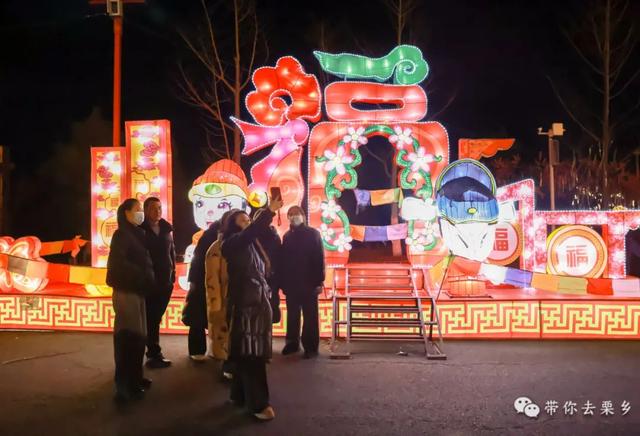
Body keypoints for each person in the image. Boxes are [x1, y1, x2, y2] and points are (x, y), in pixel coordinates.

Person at [221, 198, 283, 421]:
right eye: (243, 220)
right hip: (246, 306)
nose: (247, 223)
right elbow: (251, 232)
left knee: (244, 353)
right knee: (252, 355)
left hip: (255, 305)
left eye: (249, 220)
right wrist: (269, 212)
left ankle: (238, 395)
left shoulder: (251, 243)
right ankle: (258, 404)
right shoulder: (231, 243)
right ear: (232, 225)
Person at [106, 198, 155, 402]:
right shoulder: (121, 235)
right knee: (128, 338)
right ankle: (124, 385)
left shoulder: (137, 233)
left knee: (139, 337)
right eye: (137, 209)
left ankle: (136, 376)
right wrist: (141, 274)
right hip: (127, 291)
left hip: (138, 291)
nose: (140, 213)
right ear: (126, 213)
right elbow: (118, 265)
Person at [280, 205, 325, 359]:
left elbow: (319, 259)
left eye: (296, 213)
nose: (294, 216)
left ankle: (311, 348)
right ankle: (292, 344)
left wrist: (319, 281)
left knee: (310, 317)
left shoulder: (313, 234)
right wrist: (283, 282)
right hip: (291, 284)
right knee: (292, 316)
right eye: (291, 214)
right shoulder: (286, 236)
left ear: (303, 215)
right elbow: (283, 262)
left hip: (309, 283)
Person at [140, 197, 176, 369]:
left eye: (160, 207)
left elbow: (172, 253)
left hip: (165, 281)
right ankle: (153, 353)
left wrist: (173, 274)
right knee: (151, 318)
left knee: (156, 317)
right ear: (146, 210)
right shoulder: (140, 230)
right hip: (148, 282)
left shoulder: (166, 228)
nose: (158, 211)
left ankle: (152, 352)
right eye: (154, 208)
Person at [205, 209, 236, 379]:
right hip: (225, 299)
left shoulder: (247, 243)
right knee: (226, 333)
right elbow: (212, 281)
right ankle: (228, 366)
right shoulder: (216, 248)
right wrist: (215, 306)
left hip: (243, 298)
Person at [183, 220, 220, 361]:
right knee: (199, 317)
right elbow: (197, 261)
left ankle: (200, 350)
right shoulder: (209, 239)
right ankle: (203, 350)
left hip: (204, 283)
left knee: (199, 318)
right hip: (204, 282)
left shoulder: (208, 237)